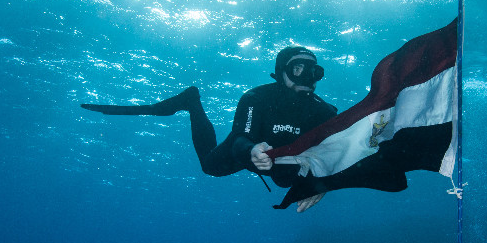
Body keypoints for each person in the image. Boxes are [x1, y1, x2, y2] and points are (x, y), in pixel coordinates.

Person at [80, 46, 337, 212]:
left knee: (286, 181)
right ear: (281, 72)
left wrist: (323, 183)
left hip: (286, 163)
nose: (307, 78)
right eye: (298, 69)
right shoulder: (257, 98)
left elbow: (341, 151)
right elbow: (240, 137)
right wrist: (251, 151)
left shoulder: (324, 112)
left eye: (314, 72)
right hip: (249, 151)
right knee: (210, 167)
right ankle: (191, 101)